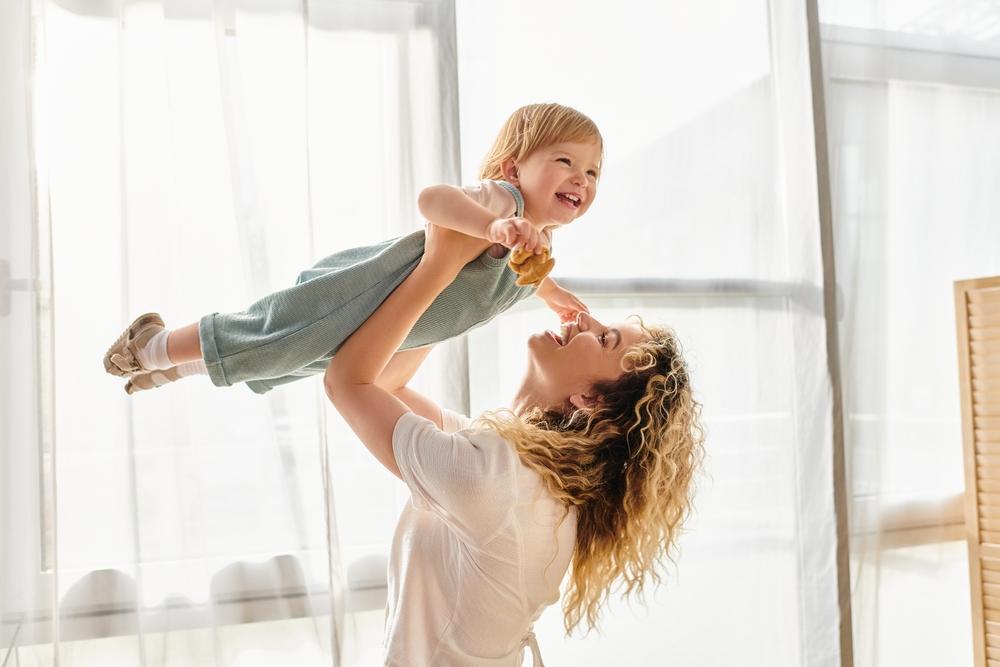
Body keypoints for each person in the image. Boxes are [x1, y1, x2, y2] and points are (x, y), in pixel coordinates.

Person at [325, 223, 705, 666]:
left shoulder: (499, 481)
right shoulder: (519, 472)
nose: (584, 318)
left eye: (604, 338)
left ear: (590, 401)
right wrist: (467, 283)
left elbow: (346, 382)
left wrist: (440, 266)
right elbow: (387, 386)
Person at [102, 103, 601, 394]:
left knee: (297, 361)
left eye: (593, 172)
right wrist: (494, 226)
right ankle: (151, 345)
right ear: (514, 169)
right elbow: (433, 201)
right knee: (278, 334)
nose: (582, 178)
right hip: (362, 292)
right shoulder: (503, 202)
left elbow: (523, 274)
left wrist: (553, 295)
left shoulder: (537, 240)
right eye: (565, 160)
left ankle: (179, 366)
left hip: (400, 327)